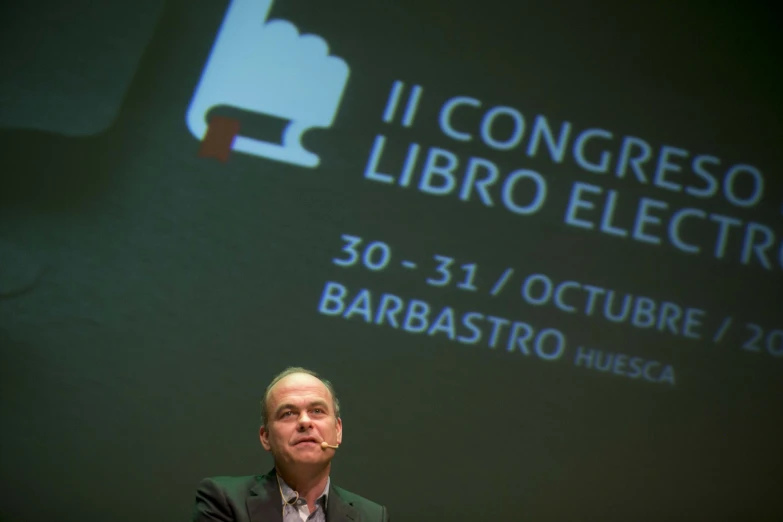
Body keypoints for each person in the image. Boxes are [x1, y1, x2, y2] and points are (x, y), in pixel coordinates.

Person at [191, 367, 390, 521]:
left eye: (317, 411)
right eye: (288, 414)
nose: (305, 422)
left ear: (338, 431)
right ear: (265, 437)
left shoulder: (372, 517)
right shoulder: (223, 500)